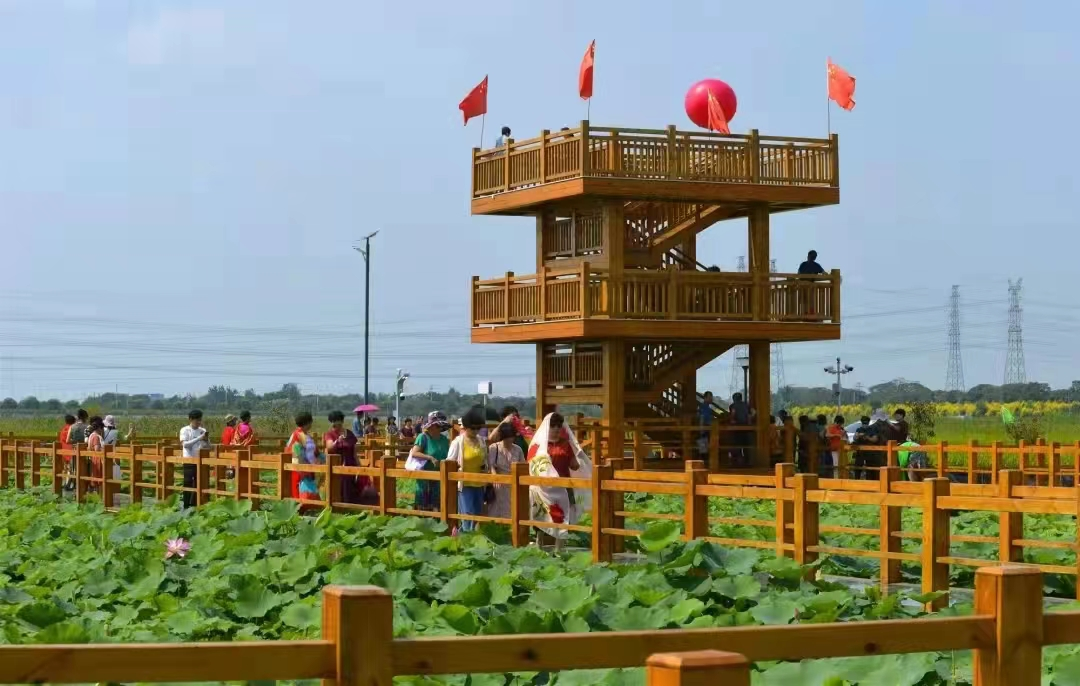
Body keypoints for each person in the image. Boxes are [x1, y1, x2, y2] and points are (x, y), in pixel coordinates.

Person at [526, 413, 592, 548]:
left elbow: (574, 465)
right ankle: (539, 546)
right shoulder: (539, 445)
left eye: (559, 426)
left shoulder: (566, 444)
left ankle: (559, 549)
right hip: (544, 488)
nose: (556, 428)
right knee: (542, 516)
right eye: (553, 425)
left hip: (564, 486)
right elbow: (533, 465)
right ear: (547, 427)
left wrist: (579, 459)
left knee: (563, 517)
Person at [446, 407, 487, 533]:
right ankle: (465, 538)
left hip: (479, 483)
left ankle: (474, 538)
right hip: (465, 484)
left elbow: (485, 460)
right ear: (466, 427)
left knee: (478, 514)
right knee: (467, 514)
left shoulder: (481, 441)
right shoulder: (458, 442)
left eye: (478, 428)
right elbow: (449, 462)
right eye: (472, 428)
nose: (475, 431)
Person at [408, 411, 451, 512]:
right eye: (438, 425)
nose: (440, 428)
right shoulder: (423, 437)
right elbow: (414, 453)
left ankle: (437, 517)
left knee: (437, 499)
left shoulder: (444, 439)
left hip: (440, 474)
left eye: (441, 426)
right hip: (424, 474)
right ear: (431, 426)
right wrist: (430, 457)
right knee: (423, 498)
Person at [486, 421, 525, 519]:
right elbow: (491, 465)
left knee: (513, 510)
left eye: (511, 437)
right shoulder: (494, 448)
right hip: (499, 483)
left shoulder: (518, 449)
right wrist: (495, 477)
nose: (509, 440)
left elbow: (523, 466)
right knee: (496, 509)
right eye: (507, 437)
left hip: (514, 483)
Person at [324, 410, 364, 504]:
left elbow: (354, 451)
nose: (334, 424)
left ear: (341, 421)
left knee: (352, 484)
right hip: (337, 464)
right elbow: (329, 447)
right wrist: (337, 441)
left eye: (336, 421)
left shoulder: (349, 433)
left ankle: (353, 505)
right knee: (341, 484)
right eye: (332, 421)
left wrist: (359, 464)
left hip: (350, 462)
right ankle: (340, 504)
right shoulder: (330, 434)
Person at [286, 411, 324, 505]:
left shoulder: (305, 435)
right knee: (300, 490)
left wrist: (322, 457)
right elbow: (296, 452)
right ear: (307, 422)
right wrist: (302, 467)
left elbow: (315, 451)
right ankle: (301, 509)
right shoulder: (297, 435)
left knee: (309, 490)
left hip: (308, 467)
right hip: (300, 468)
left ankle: (309, 507)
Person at [179, 410, 210, 509]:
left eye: (200, 420)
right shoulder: (185, 430)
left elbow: (207, 446)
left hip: (200, 460)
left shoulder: (202, 430)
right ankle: (186, 505)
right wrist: (199, 438)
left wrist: (206, 440)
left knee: (199, 482)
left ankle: (196, 504)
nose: (199, 422)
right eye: (197, 420)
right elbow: (185, 445)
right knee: (187, 482)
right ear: (190, 419)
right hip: (188, 460)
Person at [728, 393, 750, 467]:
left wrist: (731, 421)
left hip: (736, 428)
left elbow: (733, 414)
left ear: (734, 399)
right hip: (746, 428)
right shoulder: (746, 405)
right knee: (746, 446)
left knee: (737, 445)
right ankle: (746, 462)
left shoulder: (733, 406)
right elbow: (752, 413)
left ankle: (738, 462)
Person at [85, 416, 105, 492]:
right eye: (102, 428)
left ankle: (98, 493)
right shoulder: (96, 436)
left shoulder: (91, 435)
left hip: (93, 458)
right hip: (98, 459)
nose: (102, 430)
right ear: (99, 428)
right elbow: (97, 449)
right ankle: (100, 494)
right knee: (99, 477)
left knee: (96, 476)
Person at [58, 415, 76, 490]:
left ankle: (65, 482)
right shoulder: (72, 429)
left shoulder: (63, 429)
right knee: (71, 468)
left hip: (63, 451)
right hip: (71, 450)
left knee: (66, 468)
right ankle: (68, 484)